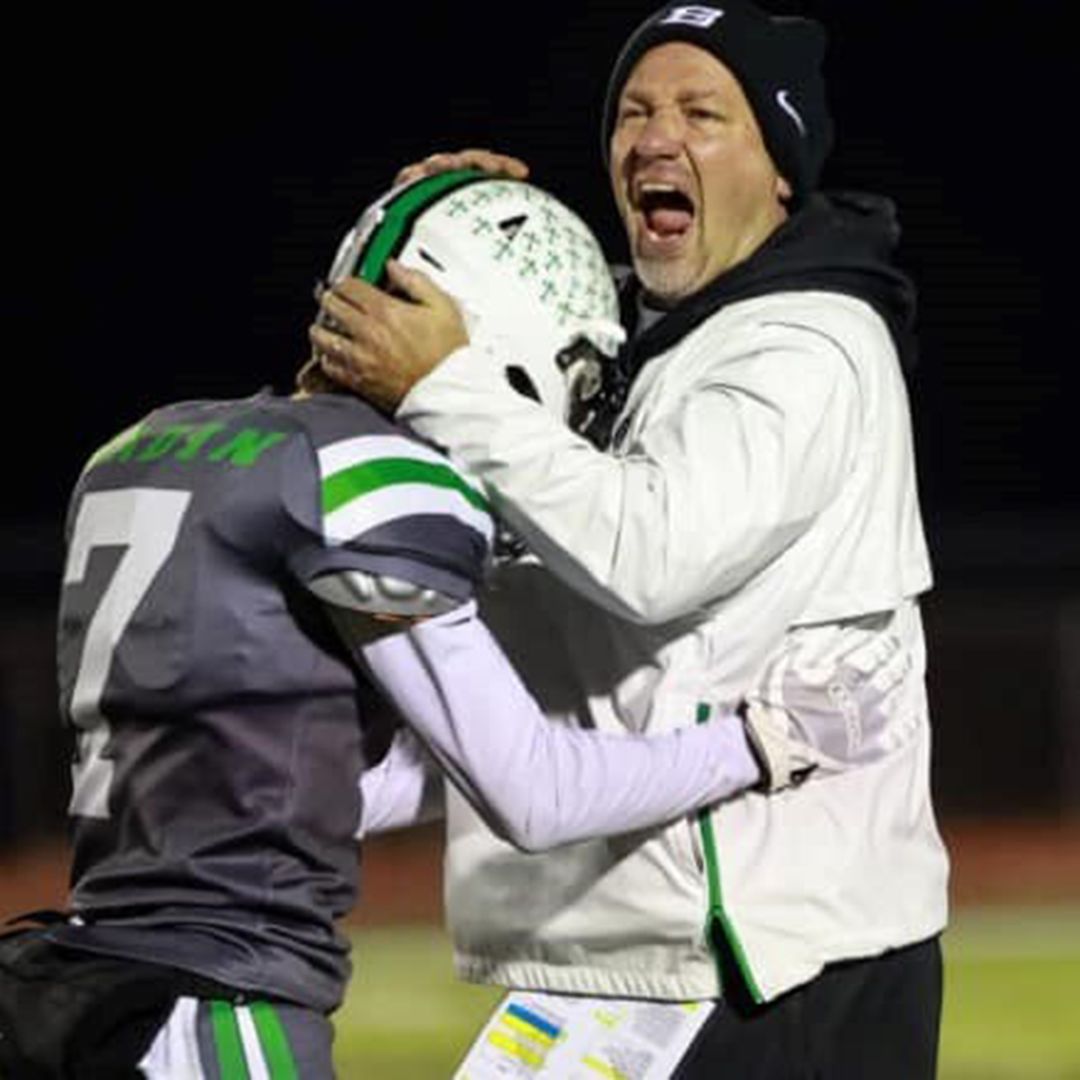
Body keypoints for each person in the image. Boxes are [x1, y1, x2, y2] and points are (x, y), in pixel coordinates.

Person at [0, 173, 816, 1079]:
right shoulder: (369, 480)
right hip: (215, 1010)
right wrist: (758, 744)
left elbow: (296, 783)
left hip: (79, 996)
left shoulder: (145, 447)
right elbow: (537, 798)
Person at [312, 2, 951, 1076]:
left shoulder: (813, 342)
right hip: (620, 960)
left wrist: (445, 381)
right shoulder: (621, 348)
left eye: (704, 113)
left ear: (780, 166)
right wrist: (437, 236)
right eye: (635, 112)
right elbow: (444, 453)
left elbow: (651, 555)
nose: (656, 137)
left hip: (766, 963)